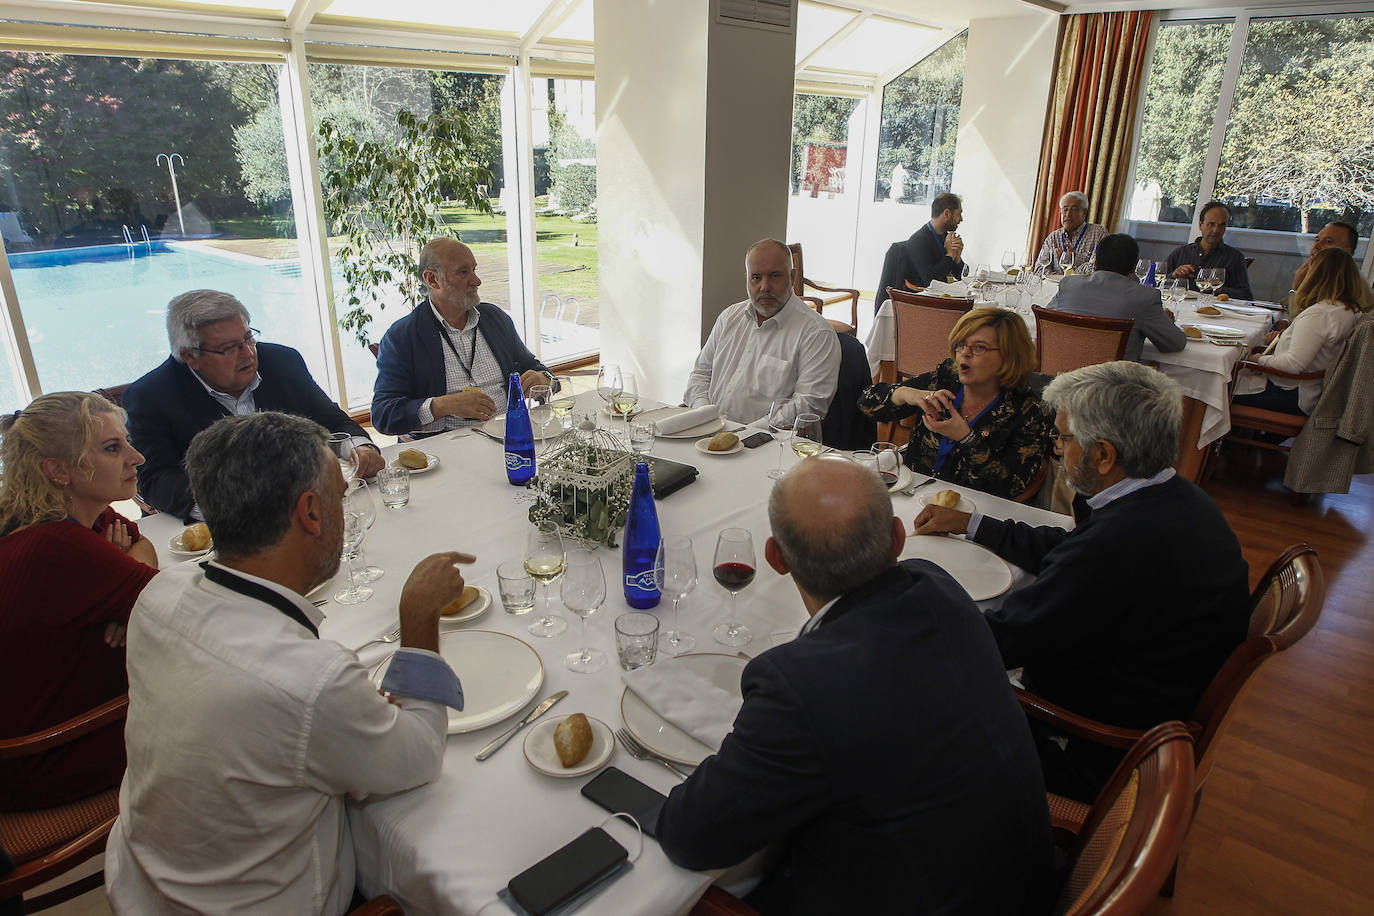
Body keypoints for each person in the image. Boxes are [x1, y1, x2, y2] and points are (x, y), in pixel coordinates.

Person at [105, 411, 471, 914]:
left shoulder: (161, 590)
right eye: (340, 496)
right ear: (311, 513)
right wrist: (419, 621)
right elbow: (420, 756)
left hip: (143, 882)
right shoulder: (308, 679)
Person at [656, 457, 1052, 915]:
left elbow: (690, 837)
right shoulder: (938, 587)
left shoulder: (801, 686)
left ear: (776, 560)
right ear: (899, 540)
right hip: (1018, 885)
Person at [913, 361, 1250, 803]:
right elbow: (1069, 548)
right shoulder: (1173, 499)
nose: (1056, 449)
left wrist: (908, 604)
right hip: (1144, 701)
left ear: (1104, 454)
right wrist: (972, 524)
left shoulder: (1118, 547)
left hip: (1094, 748)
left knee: (911, 703)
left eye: (1063, 438)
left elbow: (997, 643)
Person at [0, 392, 157, 811]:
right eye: (112, 448)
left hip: (43, 736)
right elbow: (175, 609)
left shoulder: (53, 514)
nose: (137, 457)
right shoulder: (57, 544)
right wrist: (131, 595)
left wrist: (124, 579)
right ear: (57, 470)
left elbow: (142, 547)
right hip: (47, 756)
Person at [123, 289, 383, 521]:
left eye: (248, 338)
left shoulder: (282, 361)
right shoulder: (150, 396)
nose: (248, 353)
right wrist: (238, 506)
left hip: (308, 508)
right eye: (229, 348)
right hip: (225, 530)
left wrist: (360, 449)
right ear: (191, 356)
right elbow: (157, 480)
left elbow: (333, 421)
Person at [857, 307, 1049, 499]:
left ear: (1009, 355)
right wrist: (906, 393)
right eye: (961, 344)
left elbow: (1011, 488)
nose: (964, 354)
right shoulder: (946, 379)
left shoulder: (1027, 411)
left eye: (979, 347)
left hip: (973, 513)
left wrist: (966, 438)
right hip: (913, 494)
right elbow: (867, 404)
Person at [370, 237, 554, 438]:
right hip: (445, 447)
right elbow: (383, 414)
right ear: (432, 279)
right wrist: (443, 405)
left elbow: (538, 370)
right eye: (463, 272)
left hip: (507, 434)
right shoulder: (402, 336)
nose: (477, 281)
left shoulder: (494, 319)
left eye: (474, 270)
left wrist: (543, 379)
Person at [682, 238, 840, 428]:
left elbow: (808, 405)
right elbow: (700, 374)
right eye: (756, 277)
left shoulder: (816, 333)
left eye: (774, 276)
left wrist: (745, 434)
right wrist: (704, 414)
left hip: (766, 444)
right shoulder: (729, 317)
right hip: (709, 433)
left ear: (792, 277)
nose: (764, 287)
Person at [1234, 247, 1373, 415]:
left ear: (1315, 275)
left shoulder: (1320, 314)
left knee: (1210, 389)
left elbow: (1293, 365)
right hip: (1313, 390)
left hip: (1292, 394)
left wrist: (1256, 359)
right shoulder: (1347, 310)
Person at [1047, 232, 1187, 361]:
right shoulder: (1145, 297)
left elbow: (1047, 321)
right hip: (1113, 384)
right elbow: (1175, 343)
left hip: (1061, 378)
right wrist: (1167, 322)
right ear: (1134, 267)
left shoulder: (1069, 284)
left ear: (1095, 262)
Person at [873, 191, 966, 310]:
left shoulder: (944, 237)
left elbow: (961, 276)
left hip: (941, 299)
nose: (961, 219)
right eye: (959, 214)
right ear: (947, 213)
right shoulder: (919, 240)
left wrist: (957, 258)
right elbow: (930, 281)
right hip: (920, 305)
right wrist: (949, 255)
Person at [1162, 201, 1254, 300]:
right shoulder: (1181, 252)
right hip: (1180, 308)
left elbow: (1246, 296)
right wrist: (1173, 276)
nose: (1216, 230)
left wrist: (1219, 289)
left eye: (1221, 225)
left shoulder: (1234, 257)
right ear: (1200, 224)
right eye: (1211, 224)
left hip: (1213, 312)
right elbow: (1155, 283)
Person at [1032, 191, 1108, 274]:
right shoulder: (1053, 237)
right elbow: (1039, 269)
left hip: (1084, 286)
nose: (1068, 214)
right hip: (1055, 286)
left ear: (1084, 213)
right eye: (1065, 209)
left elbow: (1099, 270)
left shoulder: (1099, 233)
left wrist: (1074, 258)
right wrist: (1058, 279)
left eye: (1074, 210)